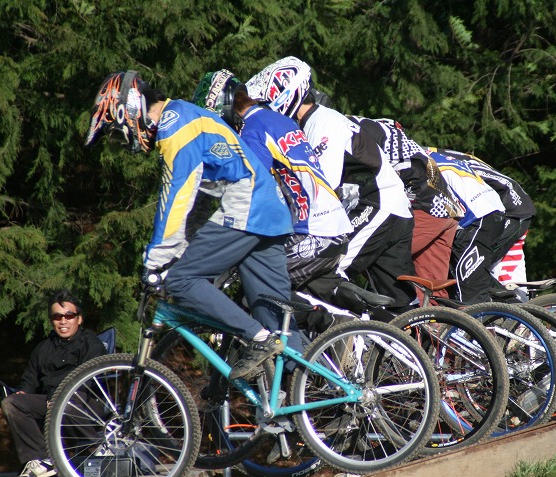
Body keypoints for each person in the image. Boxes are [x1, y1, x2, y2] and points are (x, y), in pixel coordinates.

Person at [85, 70, 300, 380]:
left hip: (249, 204)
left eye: (117, 133)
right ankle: (315, 396)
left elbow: (176, 197)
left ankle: (259, 340)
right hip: (269, 208)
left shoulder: (175, 127)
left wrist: (157, 260)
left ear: (129, 110)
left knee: (182, 282)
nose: (124, 143)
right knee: (275, 315)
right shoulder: (183, 114)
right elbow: (198, 199)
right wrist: (181, 249)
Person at [244, 57, 418, 311]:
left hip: (376, 205)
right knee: (398, 306)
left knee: (323, 267)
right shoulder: (317, 121)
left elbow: (323, 185)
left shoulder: (321, 123)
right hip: (390, 207)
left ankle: (344, 335)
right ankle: (410, 344)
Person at [190, 70, 353, 297]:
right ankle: (358, 323)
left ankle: (333, 320)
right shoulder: (275, 119)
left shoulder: (252, 131)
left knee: (256, 289)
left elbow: (247, 190)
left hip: (313, 232)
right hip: (331, 226)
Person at [347, 117, 464, 303]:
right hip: (447, 210)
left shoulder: (349, 128)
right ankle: (452, 329)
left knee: (372, 254)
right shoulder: (398, 139)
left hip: (424, 206)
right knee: (430, 295)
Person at [1, 289, 107, 477]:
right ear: (52, 320)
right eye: (57, 316)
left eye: (69, 315)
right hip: (51, 400)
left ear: (79, 319)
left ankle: (96, 449)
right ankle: (41, 460)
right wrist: (24, 391)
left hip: (83, 401)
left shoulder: (92, 344)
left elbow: (87, 378)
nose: (63, 321)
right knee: (12, 403)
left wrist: (58, 394)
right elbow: (30, 377)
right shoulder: (44, 347)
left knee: (69, 399)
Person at [436, 149, 536, 297]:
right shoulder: (437, 153)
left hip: (508, 209)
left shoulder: (418, 159)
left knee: (465, 268)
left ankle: (507, 307)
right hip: (513, 204)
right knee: (474, 268)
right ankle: (517, 310)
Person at [426, 149, 507, 304]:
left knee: (470, 295)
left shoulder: (414, 160)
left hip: (476, 216)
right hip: (491, 209)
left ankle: (481, 325)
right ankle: (518, 313)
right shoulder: (432, 155)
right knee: (472, 277)